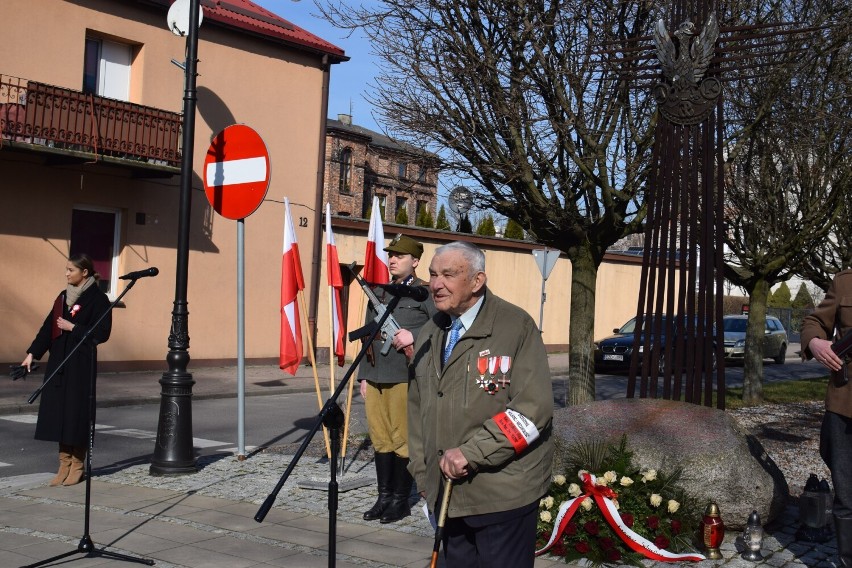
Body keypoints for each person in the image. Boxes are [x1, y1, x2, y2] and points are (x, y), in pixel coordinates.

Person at [405, 241, 553, 567]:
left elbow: (533, 410)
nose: (435, 284)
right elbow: (417, 413)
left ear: (476, 281)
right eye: (432, 274)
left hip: (502, 496)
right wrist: (422, 475)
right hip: (447, 495)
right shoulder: (430, 332)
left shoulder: (515, 326)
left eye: (448, 274)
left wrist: (472, 453)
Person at [358, 234, 436, 523]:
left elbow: (441, 326)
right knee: (380, 439)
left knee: (402, 440)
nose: (392, 259)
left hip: (405, 376)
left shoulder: (423, 293)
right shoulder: (379, 293)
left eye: (400, 256)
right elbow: (368, 336)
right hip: (376, 375)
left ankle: (401, 500)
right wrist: (363, 377)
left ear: (415, 261)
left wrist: (414, 335)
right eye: (391, 254)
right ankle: (384, 497)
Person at [20, 254, 112, 487]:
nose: (67, 273)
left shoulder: (98, 300)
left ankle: (77, 465)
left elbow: (102, 334)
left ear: (85, 273)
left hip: (80, 364)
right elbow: (47, 327)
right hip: (59, 363)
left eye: (71, 270)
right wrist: (32, 353)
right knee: (59, 414)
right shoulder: (63, 297)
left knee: (75, 414)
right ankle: (63, 464)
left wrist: (74, 327)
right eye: (66, 269)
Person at [801, 269, 852, 568]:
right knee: (847, 497)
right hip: (845, 402)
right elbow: (814, 322)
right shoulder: (845, 281)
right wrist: (816, 344)